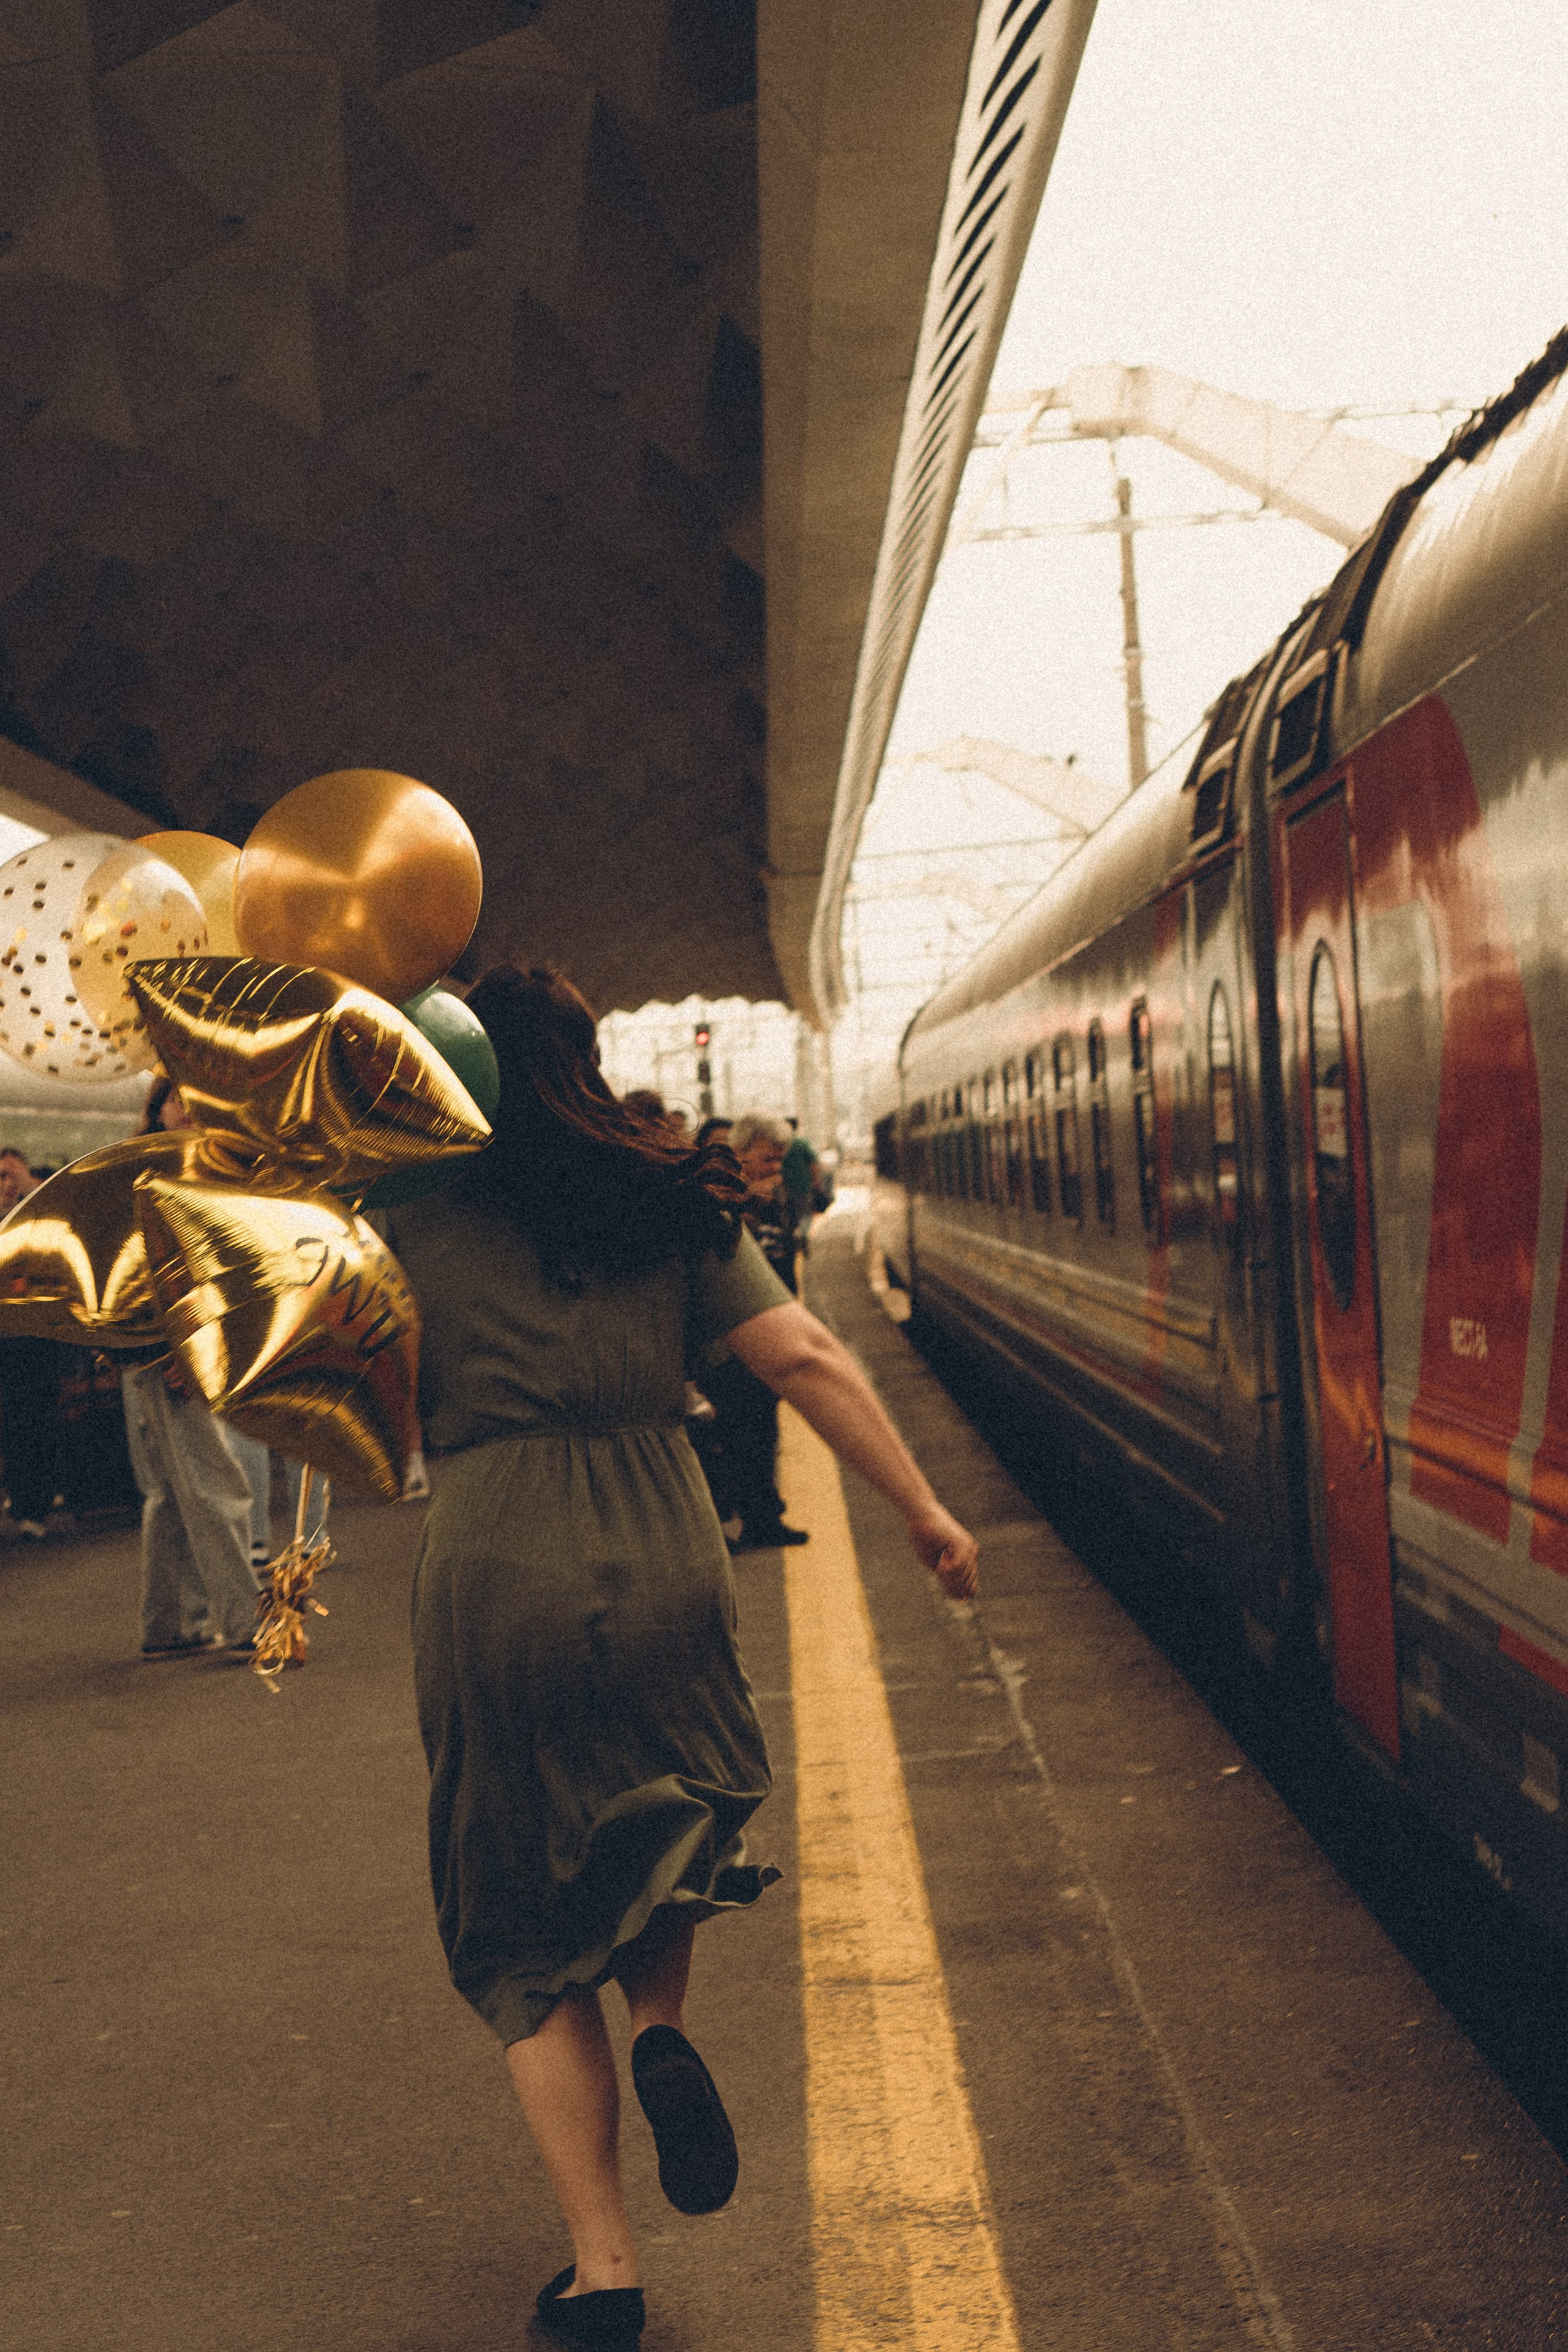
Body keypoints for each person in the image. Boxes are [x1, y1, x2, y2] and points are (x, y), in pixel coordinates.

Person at [381, 966, 976, 2349]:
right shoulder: (665, 1194)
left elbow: (375, 1404)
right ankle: (660, 2022)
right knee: (663, 1820)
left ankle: (605, 2272)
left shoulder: (407, 1206)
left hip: (495, 1549)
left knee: (521, 1922)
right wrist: (923, 1510)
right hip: (661, 1531)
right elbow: (808, 1354)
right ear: (589, 1060)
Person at [119, 1079, 262, 1659]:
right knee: (213, 1486)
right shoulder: (159, 1176)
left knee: (174, 1494)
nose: (190, 1108)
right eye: (176, 1098)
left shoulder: (173, 1171)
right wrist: (179, 1350)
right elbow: (154, 1277)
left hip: (162, 1351)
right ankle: (248, 1621)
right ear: (158, 1111)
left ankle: (168, 1623)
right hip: (171, 1351)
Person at [692, 1112, 805, 1551]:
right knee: (738, 1436)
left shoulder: (768, 1196)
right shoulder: (720, 1198)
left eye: (780, 1162)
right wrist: (748, 1205)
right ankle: (730, 1525)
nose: (775, 1171)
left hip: (767, 1335)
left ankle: (765, 1517)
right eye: (767, 1160)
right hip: (733, 1345)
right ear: (739, 1154)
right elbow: (725, 1262)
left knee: (763, 1432)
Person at [0, 1145, 66, 1538]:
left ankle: (33, 1506)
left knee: (33, 1419)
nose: (6, 1185)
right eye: (1, 1177)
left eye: (12, 1176)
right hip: (8, 1335)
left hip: (31, 1336)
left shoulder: (35, 1217)